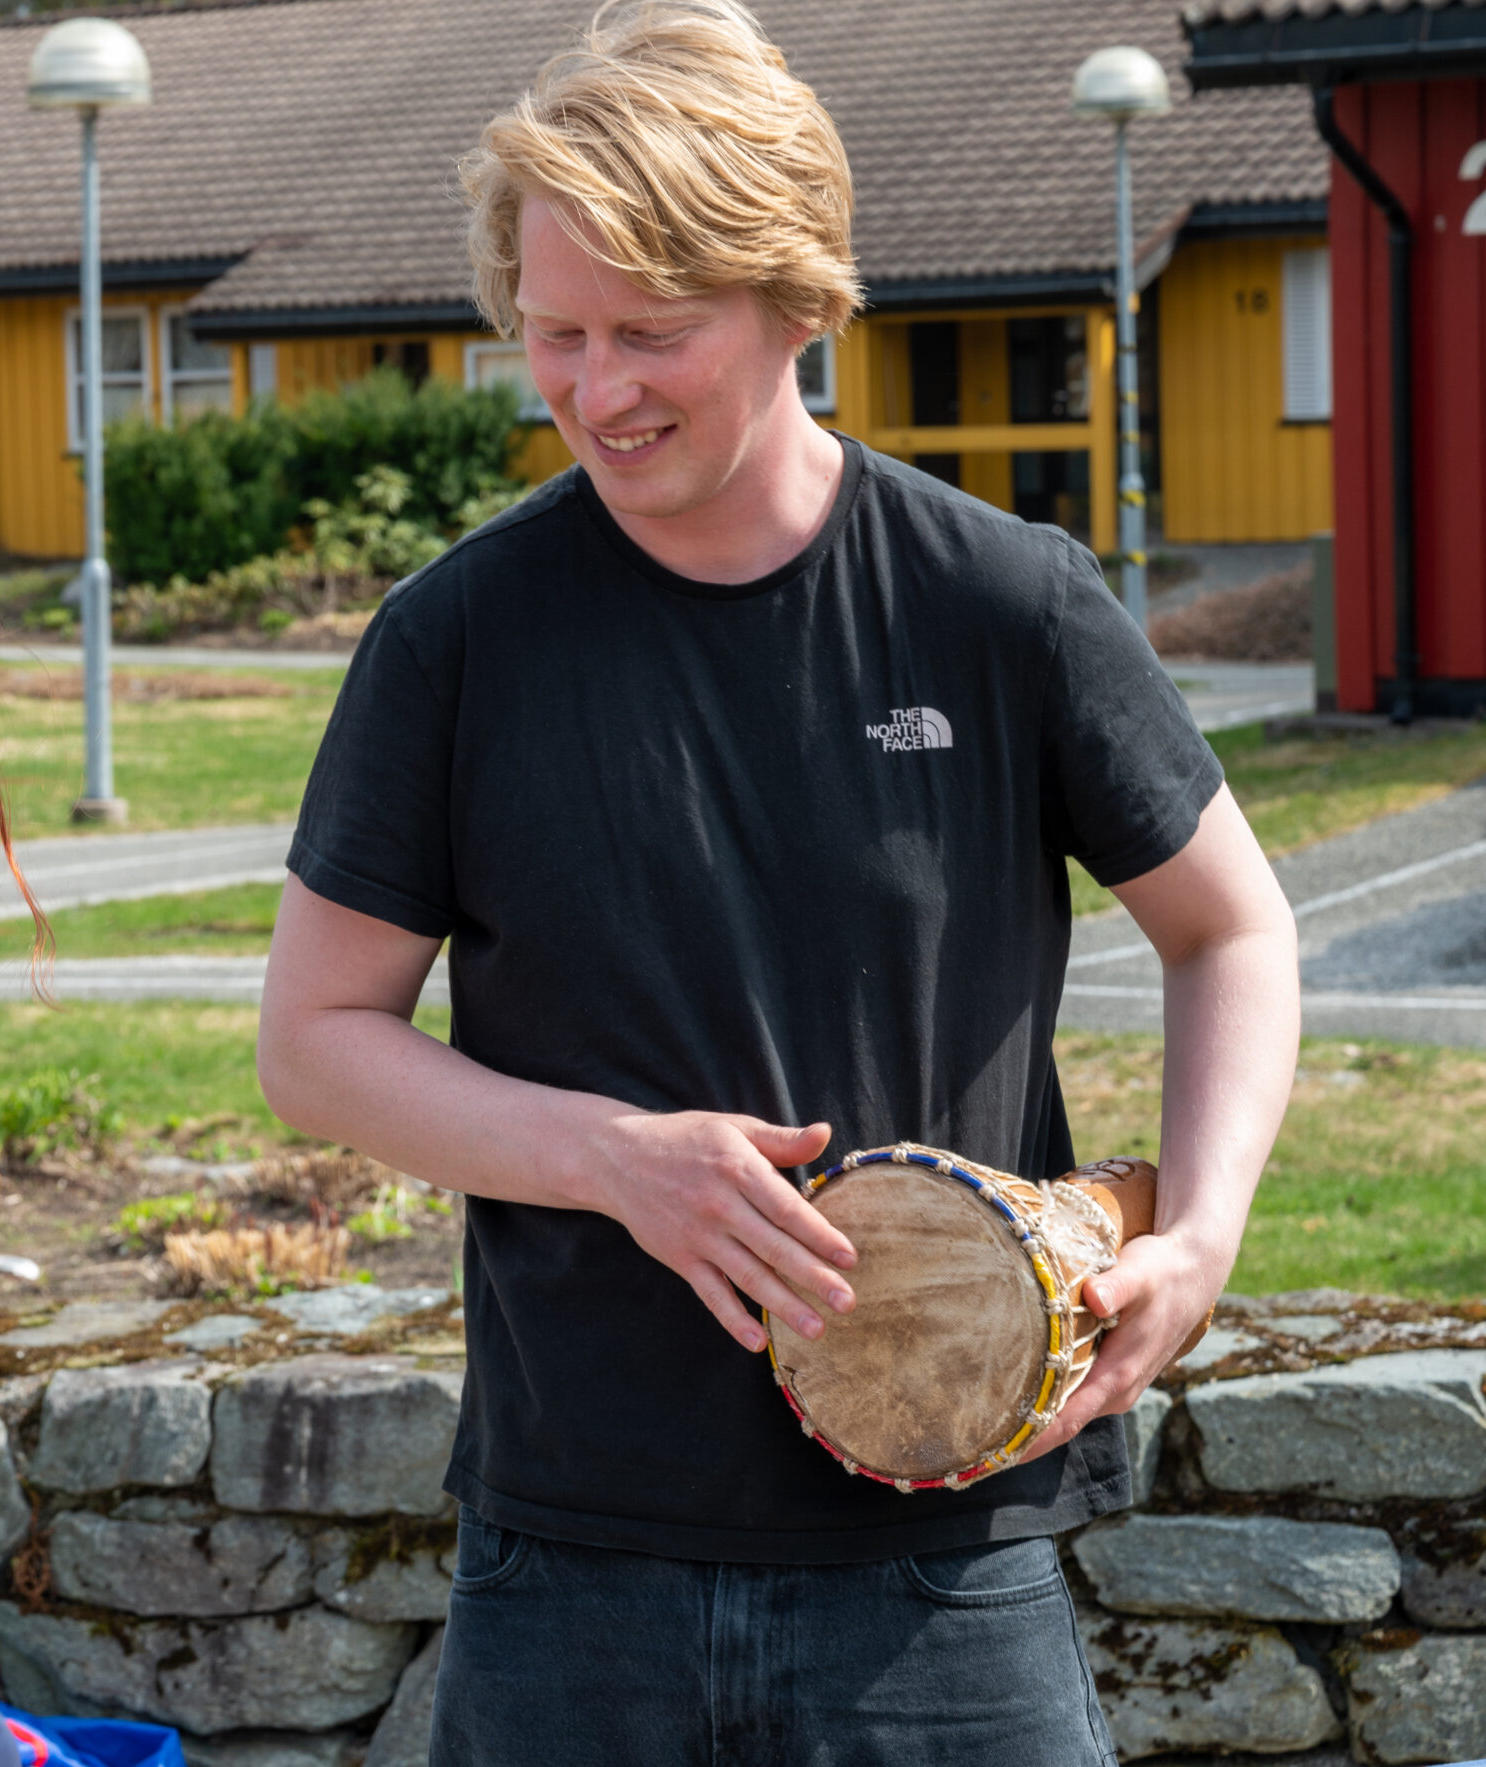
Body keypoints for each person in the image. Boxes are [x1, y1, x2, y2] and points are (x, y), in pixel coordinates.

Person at [253, 5, 1301, 1763]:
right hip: (569, 1556)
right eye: (554, 333)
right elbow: (315, 1036)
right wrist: (610, 1159)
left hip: (946, 1566)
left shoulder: (1002, 601)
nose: (592, 390)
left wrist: (1197, 1242)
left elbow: (1233, 927)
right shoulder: (455, 637)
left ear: (799, 300)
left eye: (648, 334)